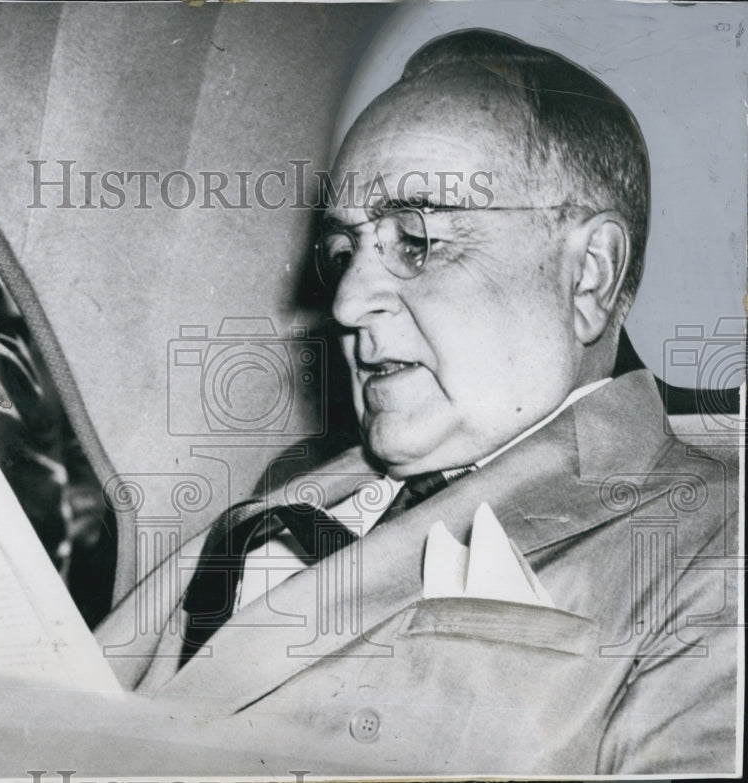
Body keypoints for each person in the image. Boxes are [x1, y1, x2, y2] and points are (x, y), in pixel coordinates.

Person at [93, 29, 739, 775]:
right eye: (344, 253)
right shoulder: (290, 487)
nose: (346, 301)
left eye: (419, 239)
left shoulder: (713, 543)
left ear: (589, 277)